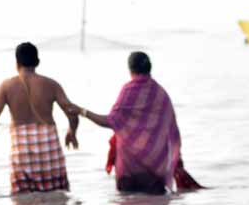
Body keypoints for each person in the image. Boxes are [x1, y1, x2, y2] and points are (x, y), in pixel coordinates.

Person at [78, 51, 202, 194]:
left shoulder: (128, 90)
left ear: (130, 70)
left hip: (129, 171)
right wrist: (177, 162)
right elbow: (172, 132)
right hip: (155, 171)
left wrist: (83, 112)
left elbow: (111, 121)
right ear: (149, 68)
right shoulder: (161, 93)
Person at [0, 42, 78, 194]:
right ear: (37, 62)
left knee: (23, 201)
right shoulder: (51, 84)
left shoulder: (6, 86)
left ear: (16, 63)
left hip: (22, 149)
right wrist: (71, 131)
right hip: (49, 145)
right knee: (56, 198)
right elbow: (71, 111)